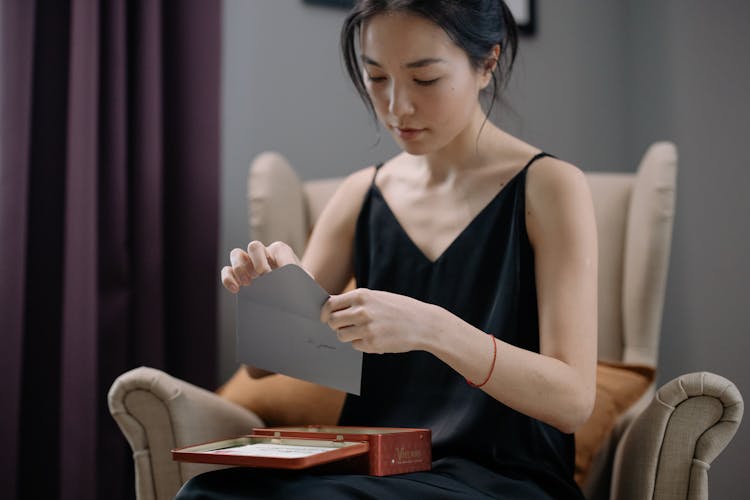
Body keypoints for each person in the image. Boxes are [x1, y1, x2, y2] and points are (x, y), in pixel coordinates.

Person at [178, 1, 597, 498]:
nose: (397, 106)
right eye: (377, 78)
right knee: (208, 493)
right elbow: (261, 369)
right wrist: (279, 295)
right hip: (377, 469)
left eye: (424, 80)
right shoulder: (361, 195)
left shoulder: (550, 188)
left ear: (487, 64)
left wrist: (431, 328)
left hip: (504, 478)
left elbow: (572, 402)